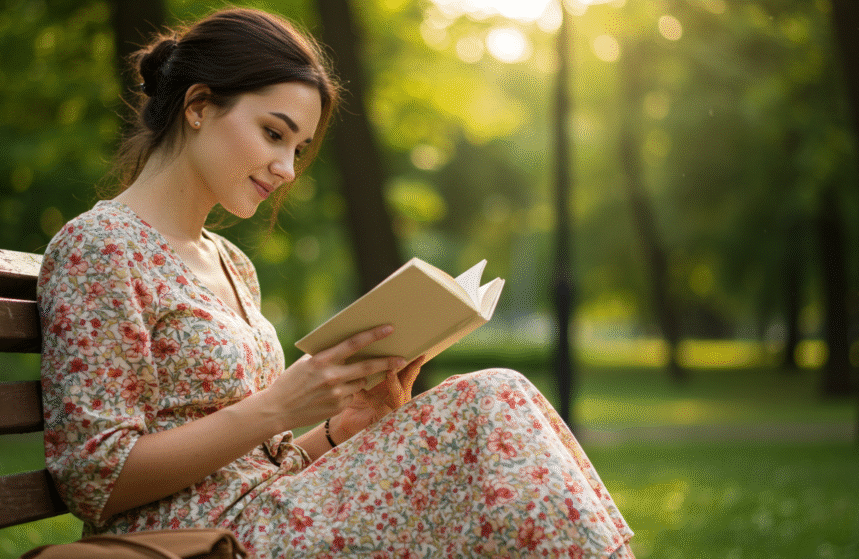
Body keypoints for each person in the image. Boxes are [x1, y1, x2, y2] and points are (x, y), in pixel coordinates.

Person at [37, 7, 634, 558]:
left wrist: (340, 428)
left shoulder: (230, 263)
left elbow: (253, 458)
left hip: (269, 512)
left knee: (495, 410)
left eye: (298, 147)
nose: (288, 168)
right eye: (274, 133)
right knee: (488, 400)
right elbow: (95, 480)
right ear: (198, 105)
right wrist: (276, 407)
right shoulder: (100, 248)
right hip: (197, 542)